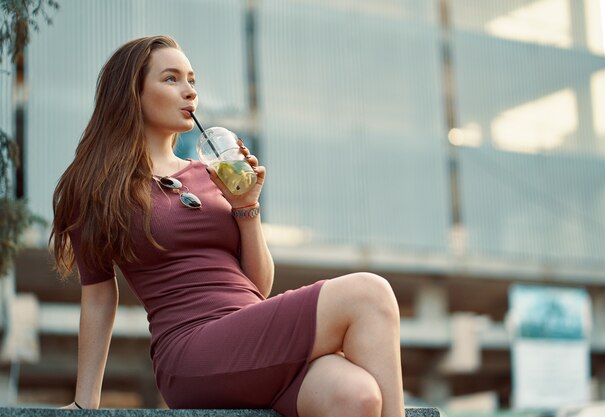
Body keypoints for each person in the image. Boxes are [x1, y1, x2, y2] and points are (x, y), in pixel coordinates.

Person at [51, 35, 405, 417]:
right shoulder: (97, 187)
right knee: (370, 293)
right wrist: (86, 403)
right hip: (190, 353)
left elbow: (258, 287)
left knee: (357, 396)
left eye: (192, 80)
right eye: (171, 79)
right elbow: (100, 295)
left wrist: (247, 207)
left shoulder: (213, 173)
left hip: (251, 340)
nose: (189, 92)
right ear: (131, 93)